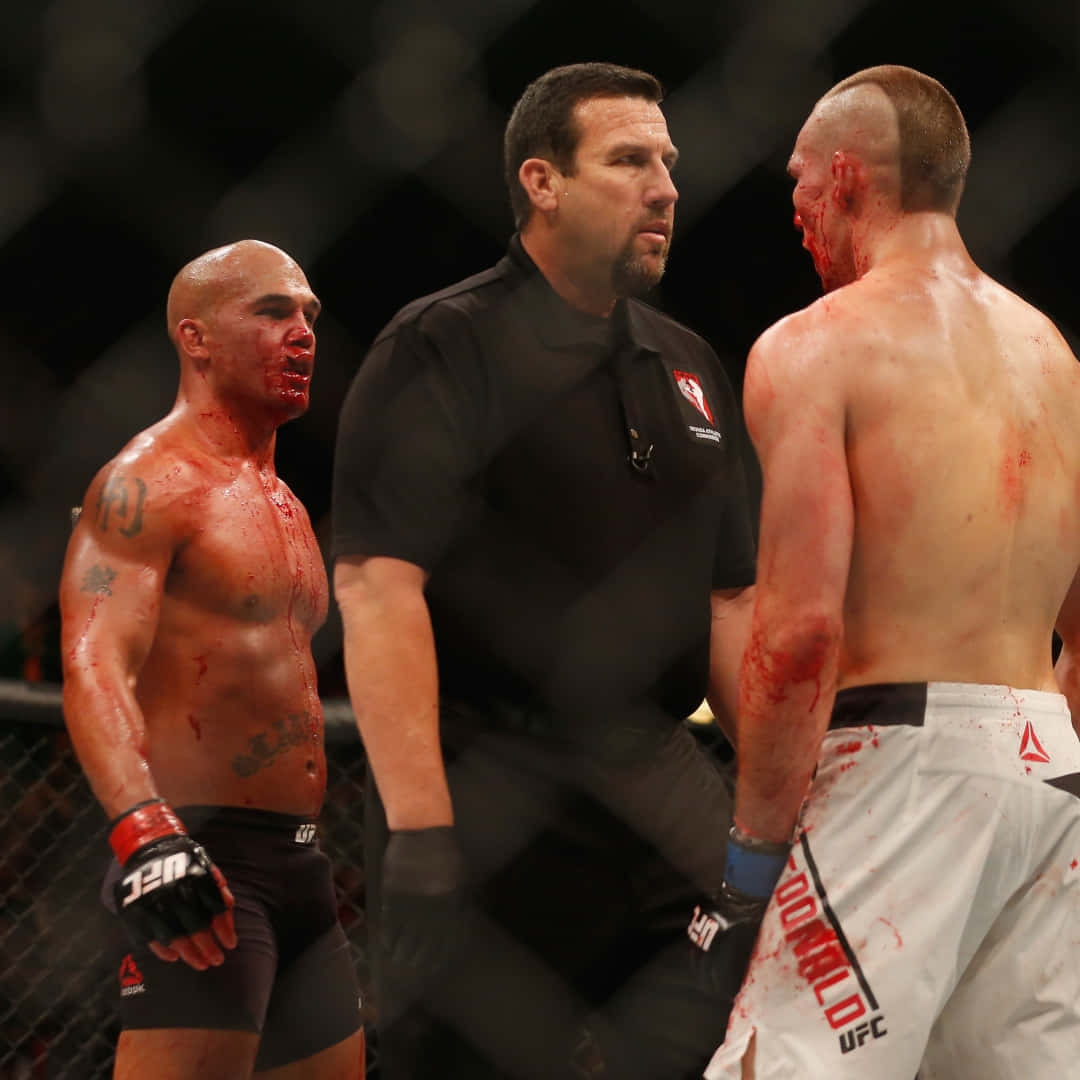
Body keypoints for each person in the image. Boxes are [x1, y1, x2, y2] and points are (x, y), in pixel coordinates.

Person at [331, 62, 758, 1078]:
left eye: (668, 161)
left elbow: (735, 601)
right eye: (629, 159)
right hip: (493, 780)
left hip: (663, 785)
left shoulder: (689, 363)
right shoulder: (442, 345)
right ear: (541, 180)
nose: (664, 186)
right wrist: (424, 829)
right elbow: (378, 586)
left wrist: (771, 807)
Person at [700, 65, 1080, 1079]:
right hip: (1051, 764)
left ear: (846, 178)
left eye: (798, 184)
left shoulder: (815, 348)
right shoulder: (1050, 352)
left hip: (901, 763)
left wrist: (751, 853)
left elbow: (800, 631)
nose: (792, 209)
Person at [59, 240, 366, 1080]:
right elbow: (94, 664)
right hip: (199, 854)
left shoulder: (286, 502)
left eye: (309, 316)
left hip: (303, 866)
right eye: (272, 313)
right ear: (194, 337)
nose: (303, 334)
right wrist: (144, 832)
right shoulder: (146, 483)